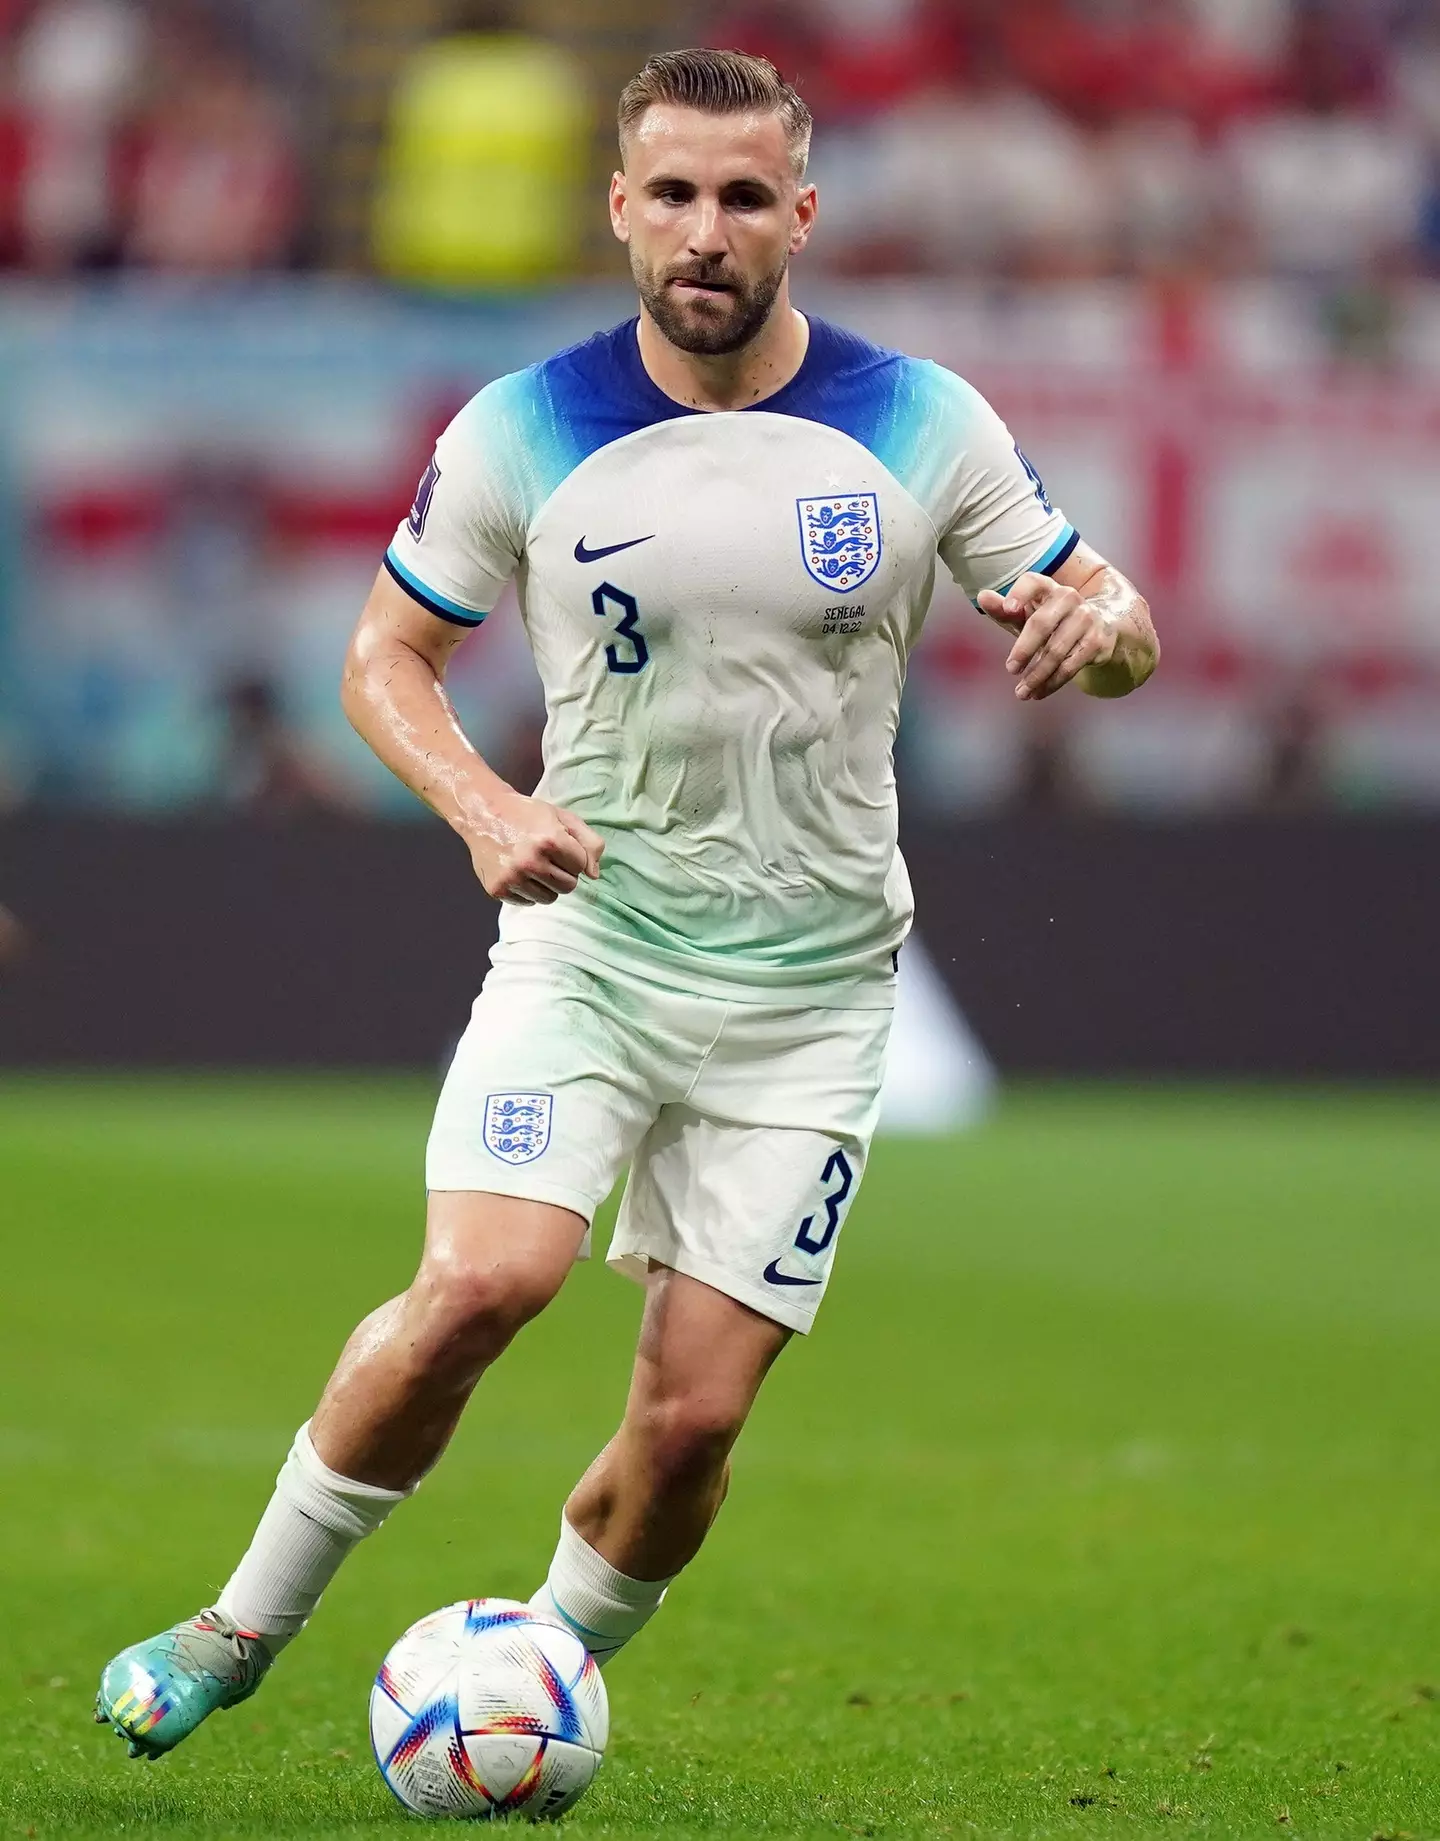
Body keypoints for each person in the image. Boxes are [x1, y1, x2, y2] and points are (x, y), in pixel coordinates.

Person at [95, 46, 1159, 1759]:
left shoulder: (922, 421)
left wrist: (1108, 639)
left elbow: (1106, 623)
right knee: (485, 1285)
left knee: (691, 1428)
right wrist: (482, 808)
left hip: (811, 998)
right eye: (674, 193)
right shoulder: (523, 425)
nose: (707, 232)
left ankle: (530, 1680)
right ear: (619, 207)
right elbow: (385, 658)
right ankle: (235, 1627)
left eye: (745, 197)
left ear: (802, 214)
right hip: (592, 948)